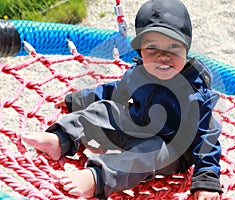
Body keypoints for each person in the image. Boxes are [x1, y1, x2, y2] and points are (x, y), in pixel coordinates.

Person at [20, 0, 223, 199]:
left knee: (149, 150)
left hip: (170, 150)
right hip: (137, 127)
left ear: (186, 50)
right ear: (140, 52)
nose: (163, 56)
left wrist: (207, 180)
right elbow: (114, 91)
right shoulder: (138, 73)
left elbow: (208, 137)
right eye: (152, 48)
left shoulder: (193, 92)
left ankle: (96, 178)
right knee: (105, 109)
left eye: (173, 47)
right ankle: (61, 138)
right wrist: (79, 99)